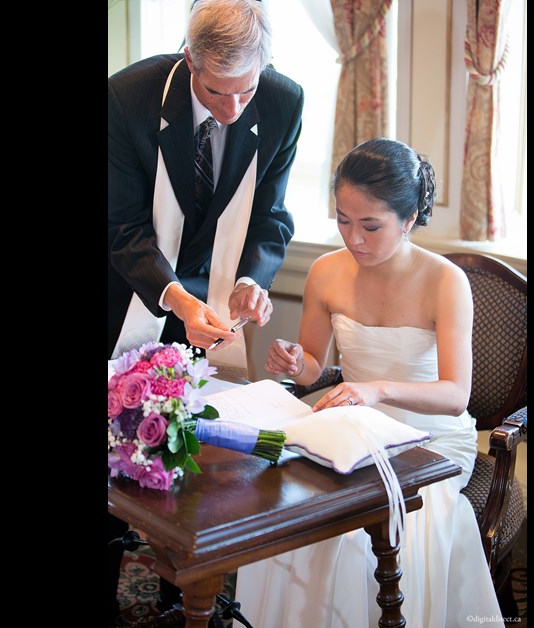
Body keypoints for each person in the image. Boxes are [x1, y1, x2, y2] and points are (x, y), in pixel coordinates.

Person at [236, 138, 506, 627]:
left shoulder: (445, 282)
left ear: (408, 220)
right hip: (353, 430)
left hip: (431, 439)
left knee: (390, 531)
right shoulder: (325, 272)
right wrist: (296, 363)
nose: (353, 239)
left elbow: (455, 395)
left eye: (370, 225)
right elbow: (316, 364)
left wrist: (376, 389)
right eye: (342, 219)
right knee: (293, 513)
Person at [107, 0, 304, 623]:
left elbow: (271, 215)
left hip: (210, 305)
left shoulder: (283, 101)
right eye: (218, 92)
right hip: (130, 293)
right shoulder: (127, 98)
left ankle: (177, 599)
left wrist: (249, 280)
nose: (234, 109)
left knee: (181, 462)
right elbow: (122, 227)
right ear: (189, 60)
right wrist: (180, 299)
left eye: (246, 90)